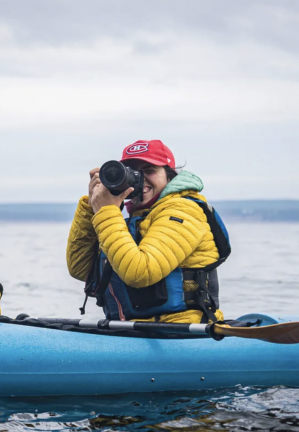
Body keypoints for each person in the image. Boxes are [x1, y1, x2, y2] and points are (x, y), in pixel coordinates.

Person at [66, 139, 230, 324]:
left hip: (182, 330)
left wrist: (106, 212)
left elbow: (140, 272)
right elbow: (82, 270)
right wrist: (91, 207)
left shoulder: (183, 210)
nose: (140, 178)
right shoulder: (129, 220)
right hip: (134, 329)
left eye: (149, 170)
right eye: (132, 172)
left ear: (169, 177)